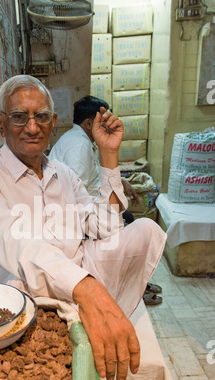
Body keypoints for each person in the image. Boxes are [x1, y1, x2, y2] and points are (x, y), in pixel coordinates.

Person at [0, 75, 166, 380]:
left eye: (41, 116)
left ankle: (95, 317)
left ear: (53, 121)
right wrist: (88, 289)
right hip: (23, 292)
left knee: (146, 230)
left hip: (77, 279)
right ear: (1, 123)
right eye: (19, 117)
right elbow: (15, 243)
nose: (32, 127)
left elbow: (104, 227)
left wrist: (108, 155)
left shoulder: (63, 174)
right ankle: (87, 316)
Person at [50, 95, 163, 305]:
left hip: (87, 207)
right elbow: (77, 192)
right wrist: (105, 207)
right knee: (122, 228)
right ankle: (129, 287)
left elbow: (93, 176)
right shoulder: (78, 145)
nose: (107, 124)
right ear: (89, 123)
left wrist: (121, 184)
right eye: (102, 120)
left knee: (125, 216)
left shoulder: (84, 141)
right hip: (76, 218)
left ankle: (138, 282)